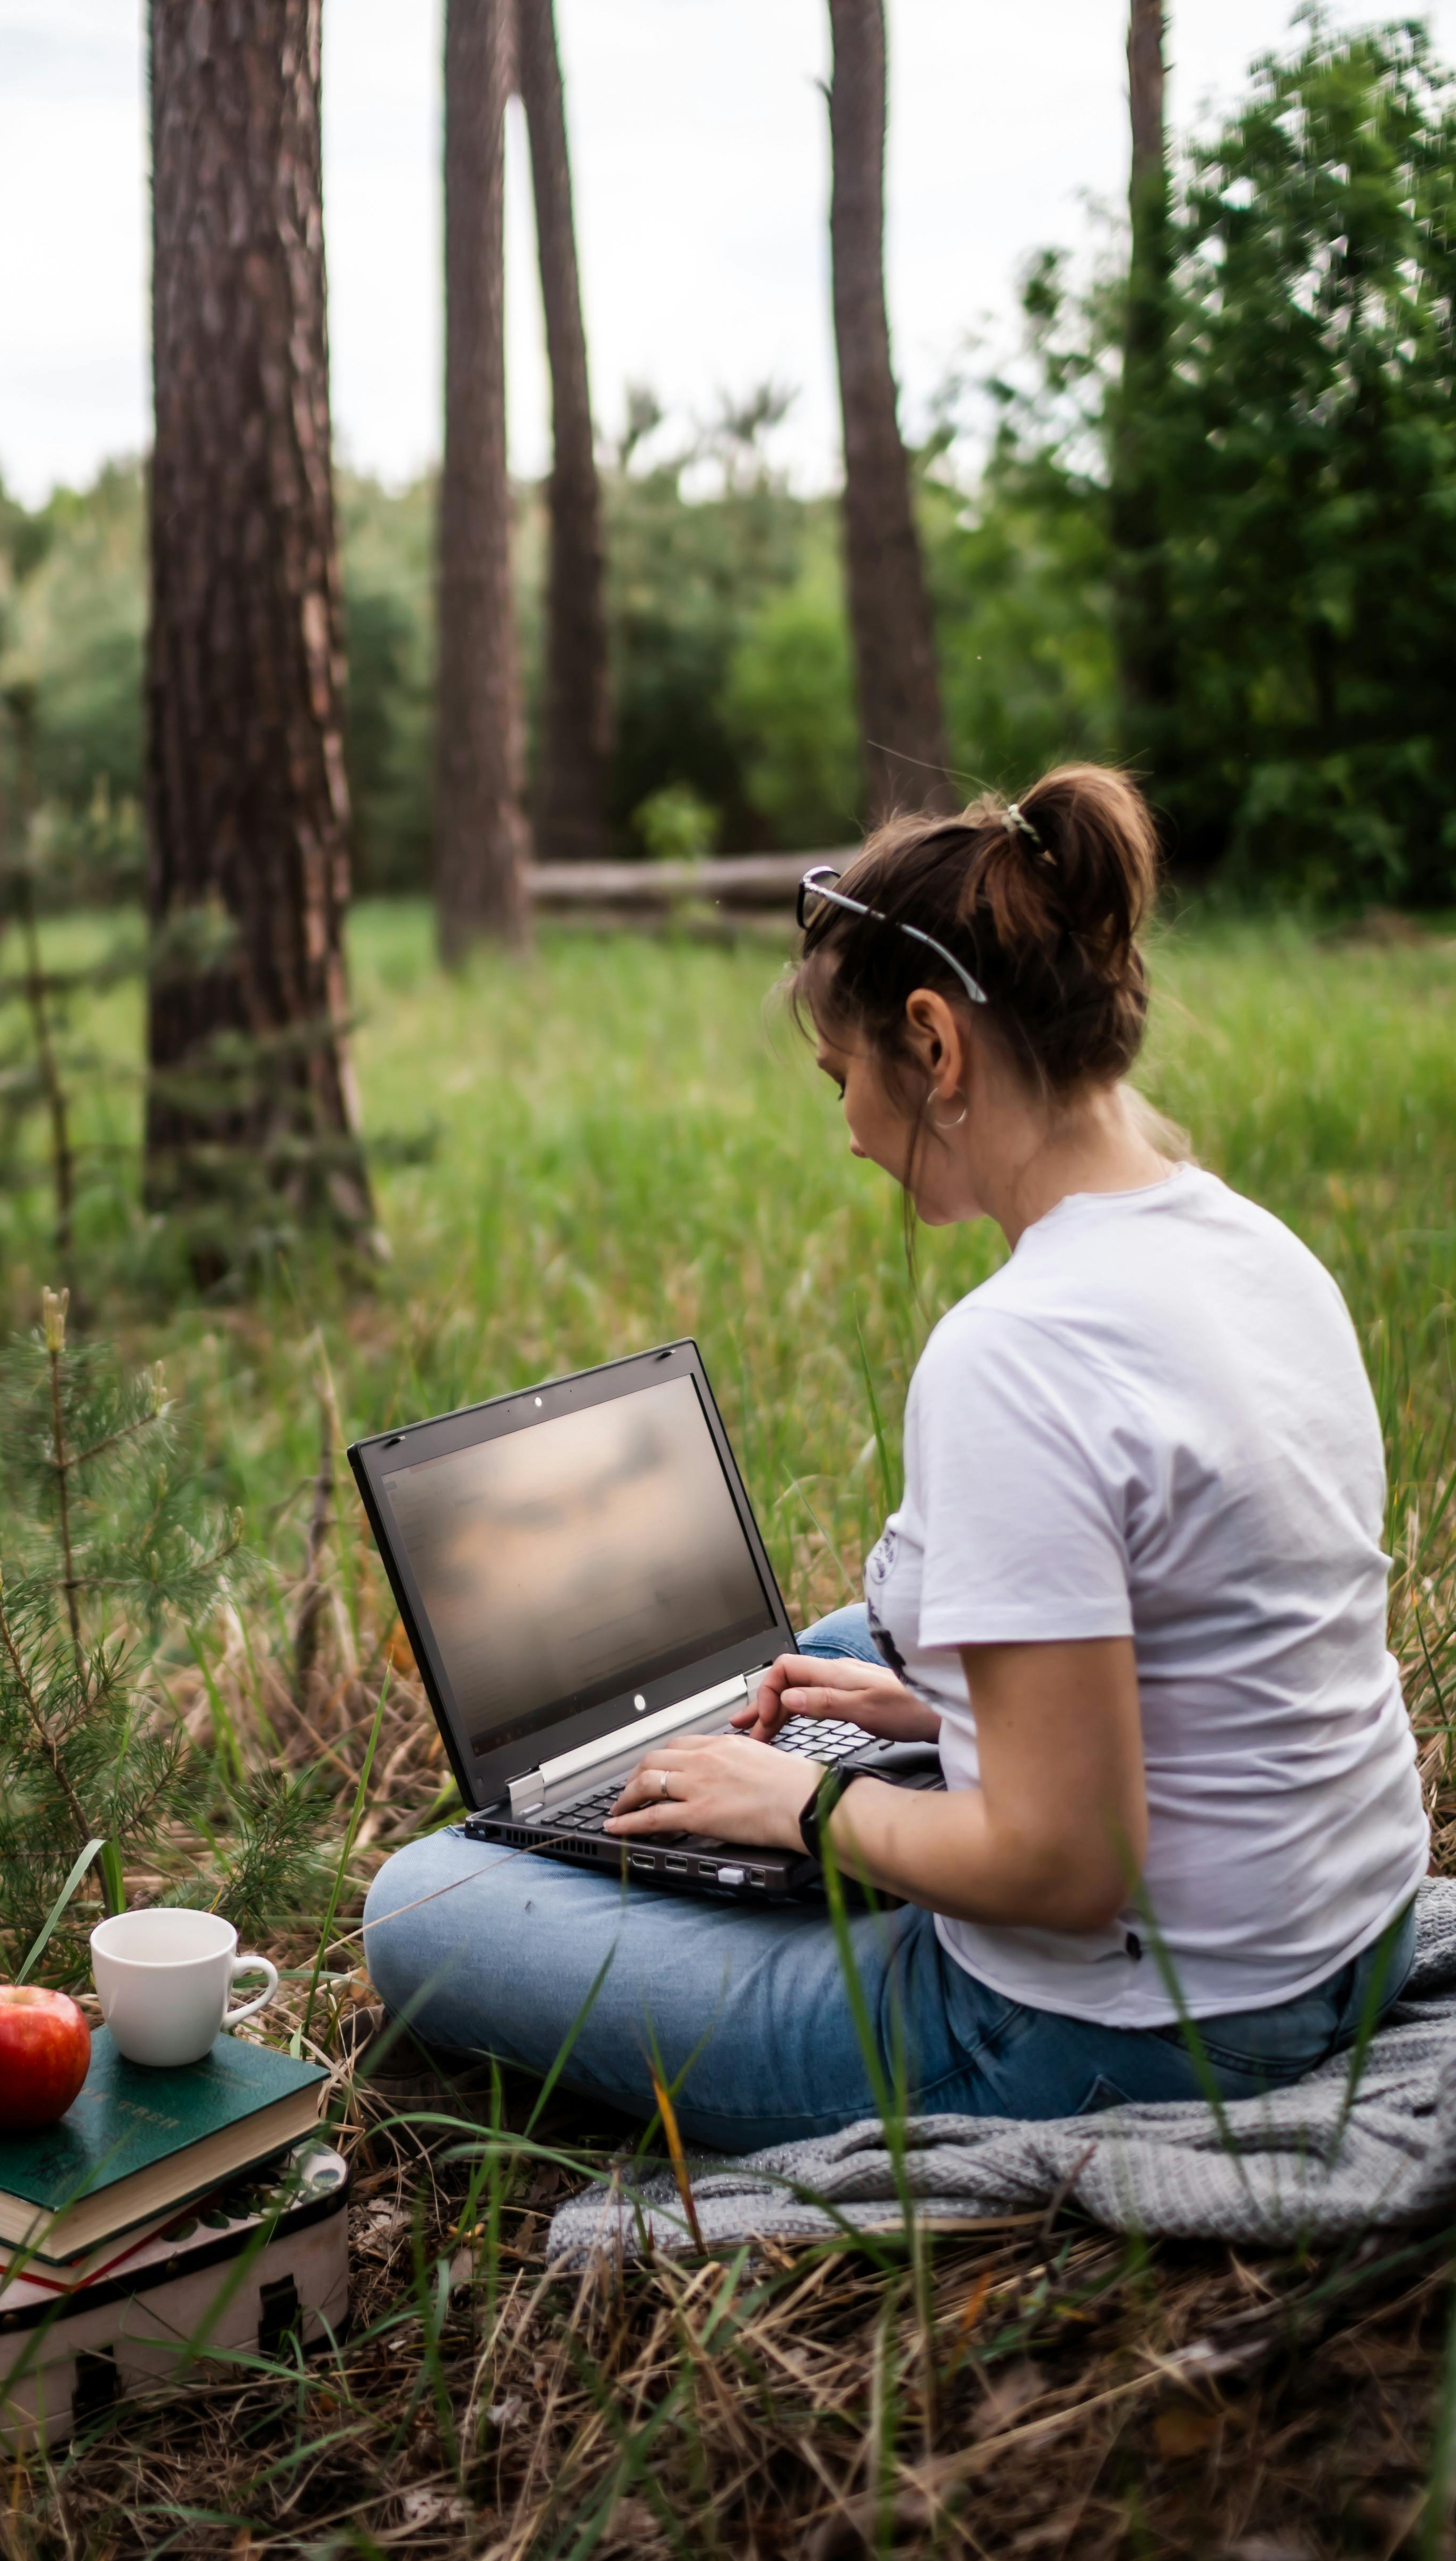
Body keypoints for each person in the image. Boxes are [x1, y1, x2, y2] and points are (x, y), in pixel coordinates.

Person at [363, 767, 1427, 2149]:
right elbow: (1215, 1621)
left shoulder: (1017, 1353)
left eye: (841, 1077)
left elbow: (1066, 1868)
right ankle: (750, 1784)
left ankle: (715, 1827)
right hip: (1353, 1934)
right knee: (823, 1653)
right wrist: (944, 1724)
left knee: (423, 1905)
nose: (848, 1127)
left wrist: (804, 1806)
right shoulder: (1250, 1245)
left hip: (1132, 2032)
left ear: (933, 1046)